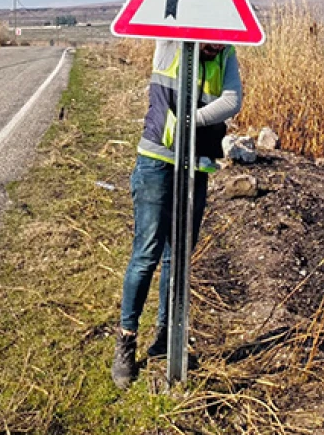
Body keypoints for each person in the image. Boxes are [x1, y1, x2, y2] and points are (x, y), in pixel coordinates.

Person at [112, 39, 242, 389]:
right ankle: (126, 339)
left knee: (178, 257)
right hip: (156, 160)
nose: (217, 45)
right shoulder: (170, 41)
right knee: (147, 253)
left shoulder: (227, 53)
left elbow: (232, 100)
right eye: (211, 38)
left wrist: (188, 121)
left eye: (223, 38)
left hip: (196, 164)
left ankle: (165, 340)